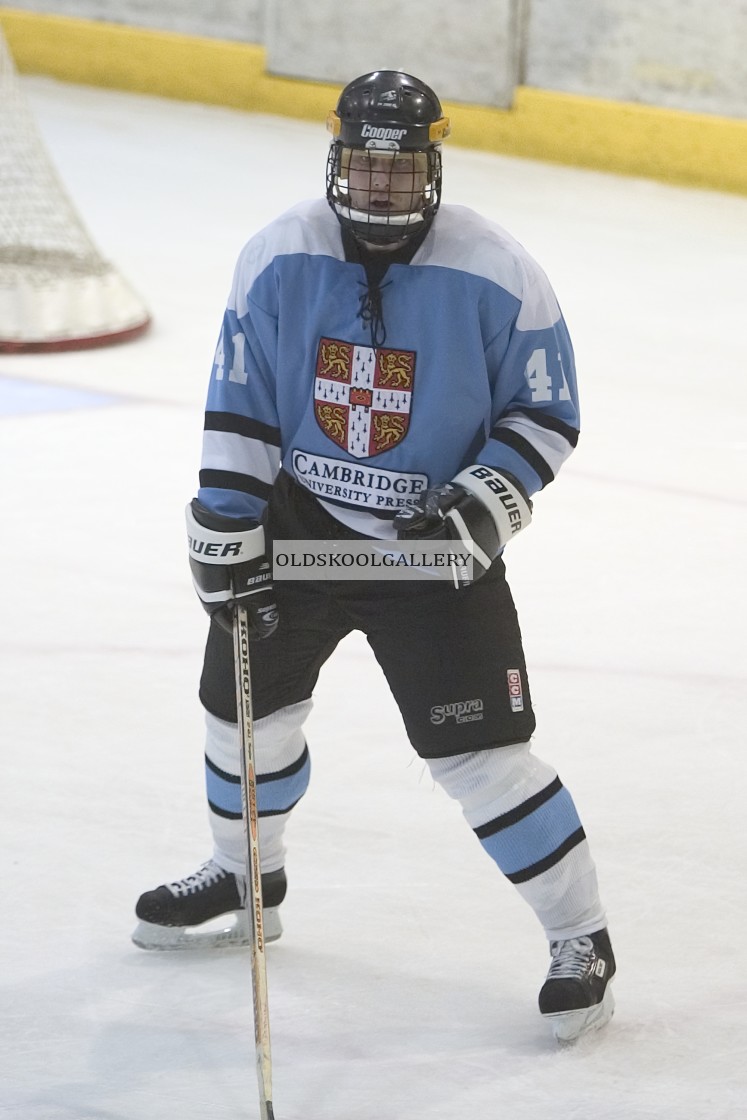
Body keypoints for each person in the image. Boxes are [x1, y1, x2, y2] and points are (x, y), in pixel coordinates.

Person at [133, 70, 615, 1042]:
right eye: (364, 166)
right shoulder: (278, 254)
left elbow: (547, 411)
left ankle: (582, 936)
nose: (382, 187)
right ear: (334, 158)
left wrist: (480, 509)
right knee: (242, 715)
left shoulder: (496, 267)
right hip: (303, 528)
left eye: (401, 171)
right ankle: (247, 874)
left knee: (481, 757)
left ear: (432, 168)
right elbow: (244, 395)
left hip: (432, 550)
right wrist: (228, 520)